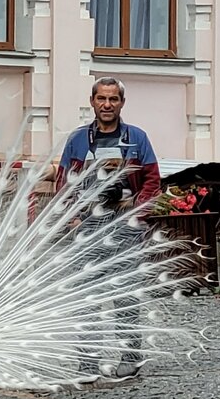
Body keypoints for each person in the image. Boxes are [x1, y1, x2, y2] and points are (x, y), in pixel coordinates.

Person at [56, 76, 161, 378]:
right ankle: (88, 362)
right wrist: (72, 217)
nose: (107, 104)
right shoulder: (77, 140)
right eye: (102, 98)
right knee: (86, 295)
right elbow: (65, 182)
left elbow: (152, 181)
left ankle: (130, 355)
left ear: (121, 103)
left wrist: (138, 212)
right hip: (89, 225)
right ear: (92, 101)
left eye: (113, 99)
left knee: (125, 293)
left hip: (124, 223)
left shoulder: (137, 138)